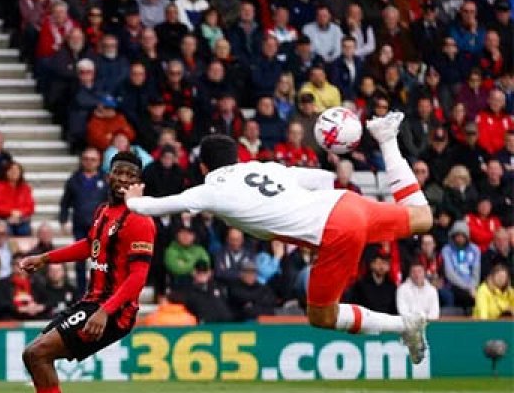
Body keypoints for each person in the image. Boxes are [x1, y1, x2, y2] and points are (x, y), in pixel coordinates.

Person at [124, 114, 434, 364]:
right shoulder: (264, 167)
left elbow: (158, 205)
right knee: (423, 218)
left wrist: (132, 199)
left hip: (334, 230)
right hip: (343, 202)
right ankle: (387, 138)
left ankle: (405, 325)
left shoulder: (210, 190)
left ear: (204, 167)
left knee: (322, 315)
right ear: (236, 157)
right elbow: (323, 178)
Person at [18, 152, 155, 393]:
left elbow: (138, 278)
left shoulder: (140, 219)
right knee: (36, 354)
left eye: (130, 175)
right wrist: (44, 258)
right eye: (119, 172)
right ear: (109, 175)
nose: (123, 179)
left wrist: (105, 311)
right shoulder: (104, 211)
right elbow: (89, 245)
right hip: (91, 302)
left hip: (111, 310)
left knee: (36, 355)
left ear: (138, 183)